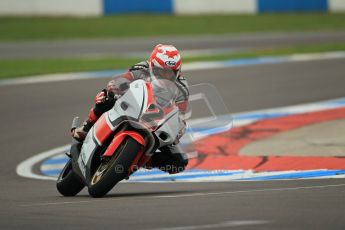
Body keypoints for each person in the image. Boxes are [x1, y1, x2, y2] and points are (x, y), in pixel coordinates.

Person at [71, 44, 189, 174]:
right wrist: (115, 86)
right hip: (132, 106)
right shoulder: (142, 68)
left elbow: (180, 113)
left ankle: (138, 161)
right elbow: (123, 79)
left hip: (156, 121)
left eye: (171, 72)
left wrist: (178, 128)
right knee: (105, 96)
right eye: (162, 71)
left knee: (179, 162)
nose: (166, 75)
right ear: (152, 66)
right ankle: (87, 127)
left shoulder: (181, 86)